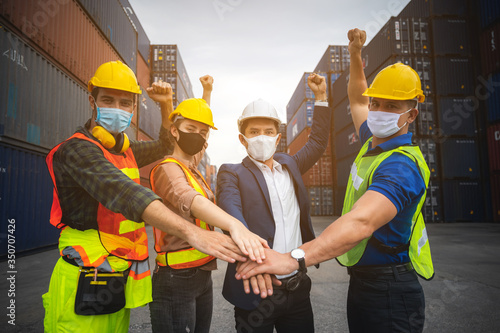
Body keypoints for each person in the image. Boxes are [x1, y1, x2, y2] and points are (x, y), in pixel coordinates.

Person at [236, 28, 434, 333]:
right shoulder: (374, 140)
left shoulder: (401, 166)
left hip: (391, 288)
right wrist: (355, 54)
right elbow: (357, 97)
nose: (378, 112)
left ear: (411, 114)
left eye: (391, 106)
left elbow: (360, 224)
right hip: (364, 282)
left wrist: (293, 259)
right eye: (377, 104)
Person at [43, 61, 248, 332]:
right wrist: (194, 233)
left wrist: (166, 103)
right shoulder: (77, 151)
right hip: (83, 276)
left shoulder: (125, 150)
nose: (117, 108)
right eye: (108, 100)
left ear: (134, 107)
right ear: (92, 101)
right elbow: (129, 194)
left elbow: (166, 144)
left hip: (115, 275)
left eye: (125, 102)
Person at [148, 75, 268, 333]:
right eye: (190, 130)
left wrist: (207, 92)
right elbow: (191, 201)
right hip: (175, 278)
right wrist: (235, 225)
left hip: (201, 273)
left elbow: (200, 126)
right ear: (174, 131)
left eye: (203, 133)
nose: (198, 137)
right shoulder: (168, 169)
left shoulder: (191, 165)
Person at [217, 74, 332, 332]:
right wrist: (255, 260)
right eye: (254, 132)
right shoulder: (231, 172)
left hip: (297, 288)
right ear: (242, 138)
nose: (262, 137)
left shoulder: (290, 165)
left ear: (278, 138)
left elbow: (317, 142)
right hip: (256, 289)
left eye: (268, 132)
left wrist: (321, 98)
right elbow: (231, 211)